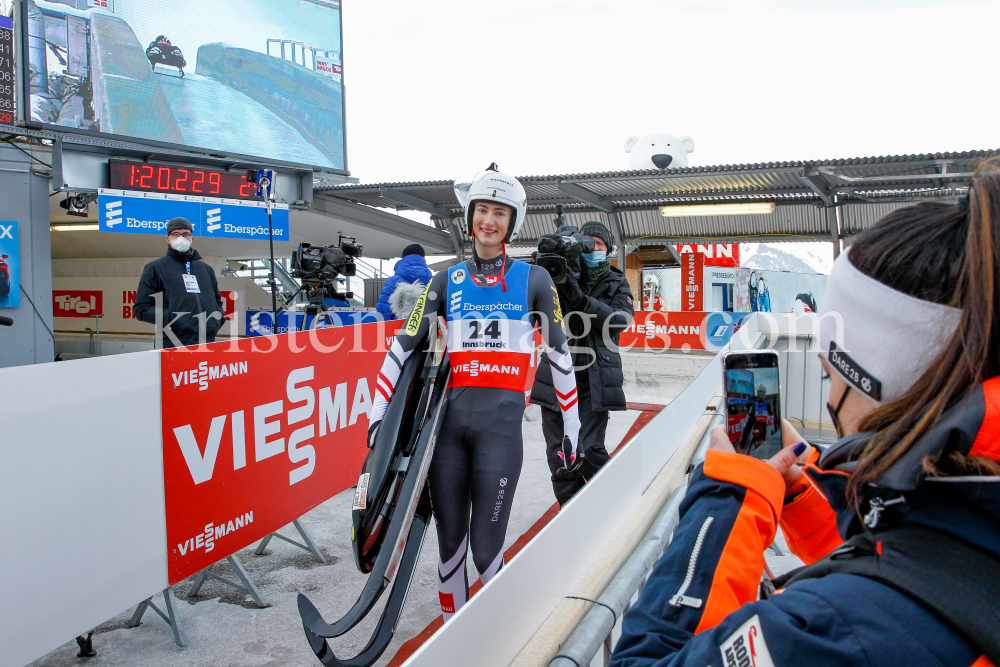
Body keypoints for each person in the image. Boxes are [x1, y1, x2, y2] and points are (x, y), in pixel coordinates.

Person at [610, 158, 1000, 667]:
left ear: (867, 379)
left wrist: (729, 493)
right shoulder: (970, 512)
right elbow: (921, 561)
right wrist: (798, 492)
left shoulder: (834, 627)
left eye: (827, 374)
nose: (828, 391)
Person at [367, 164, 581, 622]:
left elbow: (562, 357)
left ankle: (499, 639)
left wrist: (573, 427)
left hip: (499, 433)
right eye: (482, 210)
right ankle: (459, 644)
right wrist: (377, 415)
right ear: (470, 218)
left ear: (512, 222)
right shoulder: (444, 281)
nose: (489, 220)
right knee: (450, 552)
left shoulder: (535, 280)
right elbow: (401, 346)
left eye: (499, 213)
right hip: (449, 433)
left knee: (486, 553)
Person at [530, 220, 634, 506]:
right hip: (555, 373)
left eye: (598, 245)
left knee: (587, 449)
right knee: (559, 456)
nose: (592, 249)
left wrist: (581, 299)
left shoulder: (616, 281)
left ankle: (616, 500)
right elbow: (534, 309)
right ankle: (572, 511)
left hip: (595, 378)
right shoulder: (558, 273)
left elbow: (619, 320)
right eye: (586, 243)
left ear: (608, 250)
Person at [134, 218, 225, 349]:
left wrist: (216, 320)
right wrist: (174, 319)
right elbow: (141, 309)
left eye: (186, 234)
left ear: (191, 239)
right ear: (168, 239)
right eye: (176, 234)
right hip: (172, 343)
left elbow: (217, 301)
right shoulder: (155, 268)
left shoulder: (206, 269)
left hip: (206, 341)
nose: (181, 237)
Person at [375, 243, 432, 320]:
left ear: (403, 258)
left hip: (398, 328)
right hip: (425, 328)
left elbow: (384, 310)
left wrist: (381, 328)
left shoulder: (392, 282)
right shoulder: (432, 281)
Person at [738, 384, 774, 455]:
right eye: (759, 392)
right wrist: (743, 426)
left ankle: (759, 457)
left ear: (764, 394)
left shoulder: (767, 404)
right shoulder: (754, 404)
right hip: (756, 427)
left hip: (763, 428)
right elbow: (748, 416)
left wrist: (773, 429)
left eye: (762, 392)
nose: (760, 394)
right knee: (753, 443)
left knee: (761, 445)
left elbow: (772, 417)